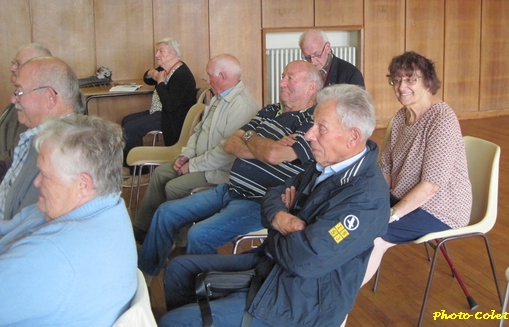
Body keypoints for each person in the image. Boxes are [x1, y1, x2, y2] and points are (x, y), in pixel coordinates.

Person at [159, 84, 389, 327]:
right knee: (178, 271)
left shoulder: (367, 199)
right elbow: (273, 194)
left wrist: (277, 225)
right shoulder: (325, 164)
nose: (309, 135)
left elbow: (304, 260)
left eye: (321, 128)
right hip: (271, 264)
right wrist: (282, 217)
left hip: (301, 300)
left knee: (175, 322)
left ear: (353, 136)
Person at [137, 60, 321, 278]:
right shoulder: (270, 110)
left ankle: (200, 296)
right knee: (165, 213)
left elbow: (274, 155)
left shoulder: (313, 122)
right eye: (283, 76)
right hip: (230, 188)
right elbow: (231, 144)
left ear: (311, 87)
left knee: (200, 235)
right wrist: (264, 144)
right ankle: (143, 280)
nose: (281, 83)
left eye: (290, 78)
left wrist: (253, 140)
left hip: (261, 201)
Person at [0, 115, 137, 326]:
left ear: (83, 184)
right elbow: (1, 234)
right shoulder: (104, 206)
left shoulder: (52, 257)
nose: (36, 182)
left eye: (45, 175)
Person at [364, 51, 472, 281]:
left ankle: (337, 308)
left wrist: (391, 214)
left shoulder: (441, 119)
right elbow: (386, 169)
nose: (402, 86)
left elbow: (431, 186)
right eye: (397, 80)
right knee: (354, 220)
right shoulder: (401, 117)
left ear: (427, 83)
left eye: (411, 79)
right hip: (406, 200)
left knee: (374, 237)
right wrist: (369, 202)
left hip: (440, 209)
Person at [133, 54, 260, 243]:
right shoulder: (219, 97)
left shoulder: (242, 106)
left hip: (219, 171)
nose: (207, 81)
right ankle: (141, 231)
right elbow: (198, 132)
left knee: (174, 187)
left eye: (210, 76)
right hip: (199, 160)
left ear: (224, 77)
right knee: (159, 174)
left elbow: (225, 153)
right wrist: (186, 155)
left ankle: (178, 242)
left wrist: (192, 166)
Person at [0, 56, 83, 230]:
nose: (13, 99)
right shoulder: (35, 137)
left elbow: (28, 230)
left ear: (50, 97)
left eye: (19, 92)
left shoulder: (59, 150)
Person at [0, 43, 52, 201]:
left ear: (36, 67)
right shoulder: (18, 100)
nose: (12, 68)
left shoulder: (32, 107)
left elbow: (17, 156)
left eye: (18, 63)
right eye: (13, 63)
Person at [121, 37, 197, 163]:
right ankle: (129, 163)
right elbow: (148, 79)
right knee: (126, 120)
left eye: (161, 51)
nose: (157, 55)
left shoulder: (181, 74)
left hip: (172, 118)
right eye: (157, 51)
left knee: (130, 129)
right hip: (160, 112)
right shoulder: (166, 68)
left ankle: (139, 170)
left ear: (174, 54)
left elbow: (170, 105)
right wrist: (152, 73)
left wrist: (161, 83)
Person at [299, 29, 365, 88]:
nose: (312, 61)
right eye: (307, 57)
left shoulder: (351, 75)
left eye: (317, 54)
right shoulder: (301, 74)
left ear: (327, 47)